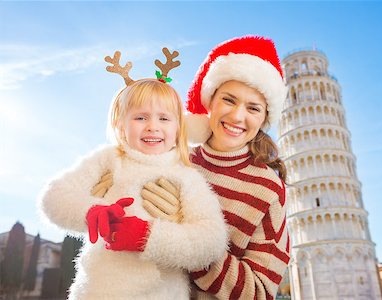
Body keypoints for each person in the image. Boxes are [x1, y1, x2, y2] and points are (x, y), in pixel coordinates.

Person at [105, 35, 290, 299]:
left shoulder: (268, 190)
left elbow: (259, 292)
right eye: (229, 100)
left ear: (263, 118)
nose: (237, 116)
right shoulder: (171, 159)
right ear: (210, 101)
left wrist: (184, 235)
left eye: (253, 108)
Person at [38, 48, 228, 300]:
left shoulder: (186, 176)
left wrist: (147, 236)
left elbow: (211, 241)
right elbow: (54, 196)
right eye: (140, 117)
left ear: (179, 127)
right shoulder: (108, 159)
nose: (153, 126)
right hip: (99, 290)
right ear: (120, 124)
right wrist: (91, 211)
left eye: (164, 118)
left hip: (162, 293)